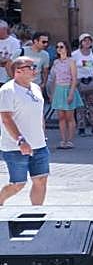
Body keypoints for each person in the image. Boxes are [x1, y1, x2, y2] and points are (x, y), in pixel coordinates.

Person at [0, 57, 49, 205]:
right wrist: (21, 140)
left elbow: (39, 114)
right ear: (18, 71)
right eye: (31, 67)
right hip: (16, 147)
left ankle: (36, 214)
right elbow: (6, 118)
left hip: (39, 145)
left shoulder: (36, 88)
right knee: (18, 184)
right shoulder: (7, 90)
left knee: (40, 179)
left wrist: (42, 133)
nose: (35, 69)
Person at [48, 41, 82, 149]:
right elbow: (53, 79)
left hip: (68, 88)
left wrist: (71, 93)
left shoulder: (71, 61)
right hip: (58, 89)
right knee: (61, 117)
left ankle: (70, 140)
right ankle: (63, 140)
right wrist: (52, 94)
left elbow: (74, 78)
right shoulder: (56, 62)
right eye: (57, 47)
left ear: (66, 48)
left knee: (69, 117)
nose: (59, 48)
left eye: (61, 47)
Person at [72, 33, 93, 136]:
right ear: (81, 42)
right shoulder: (75, 54)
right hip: (79, 81)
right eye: (85, 41)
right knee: (80, 106)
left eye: (89, 40)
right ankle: (81, 127)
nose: (87, 42)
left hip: (91, 81)